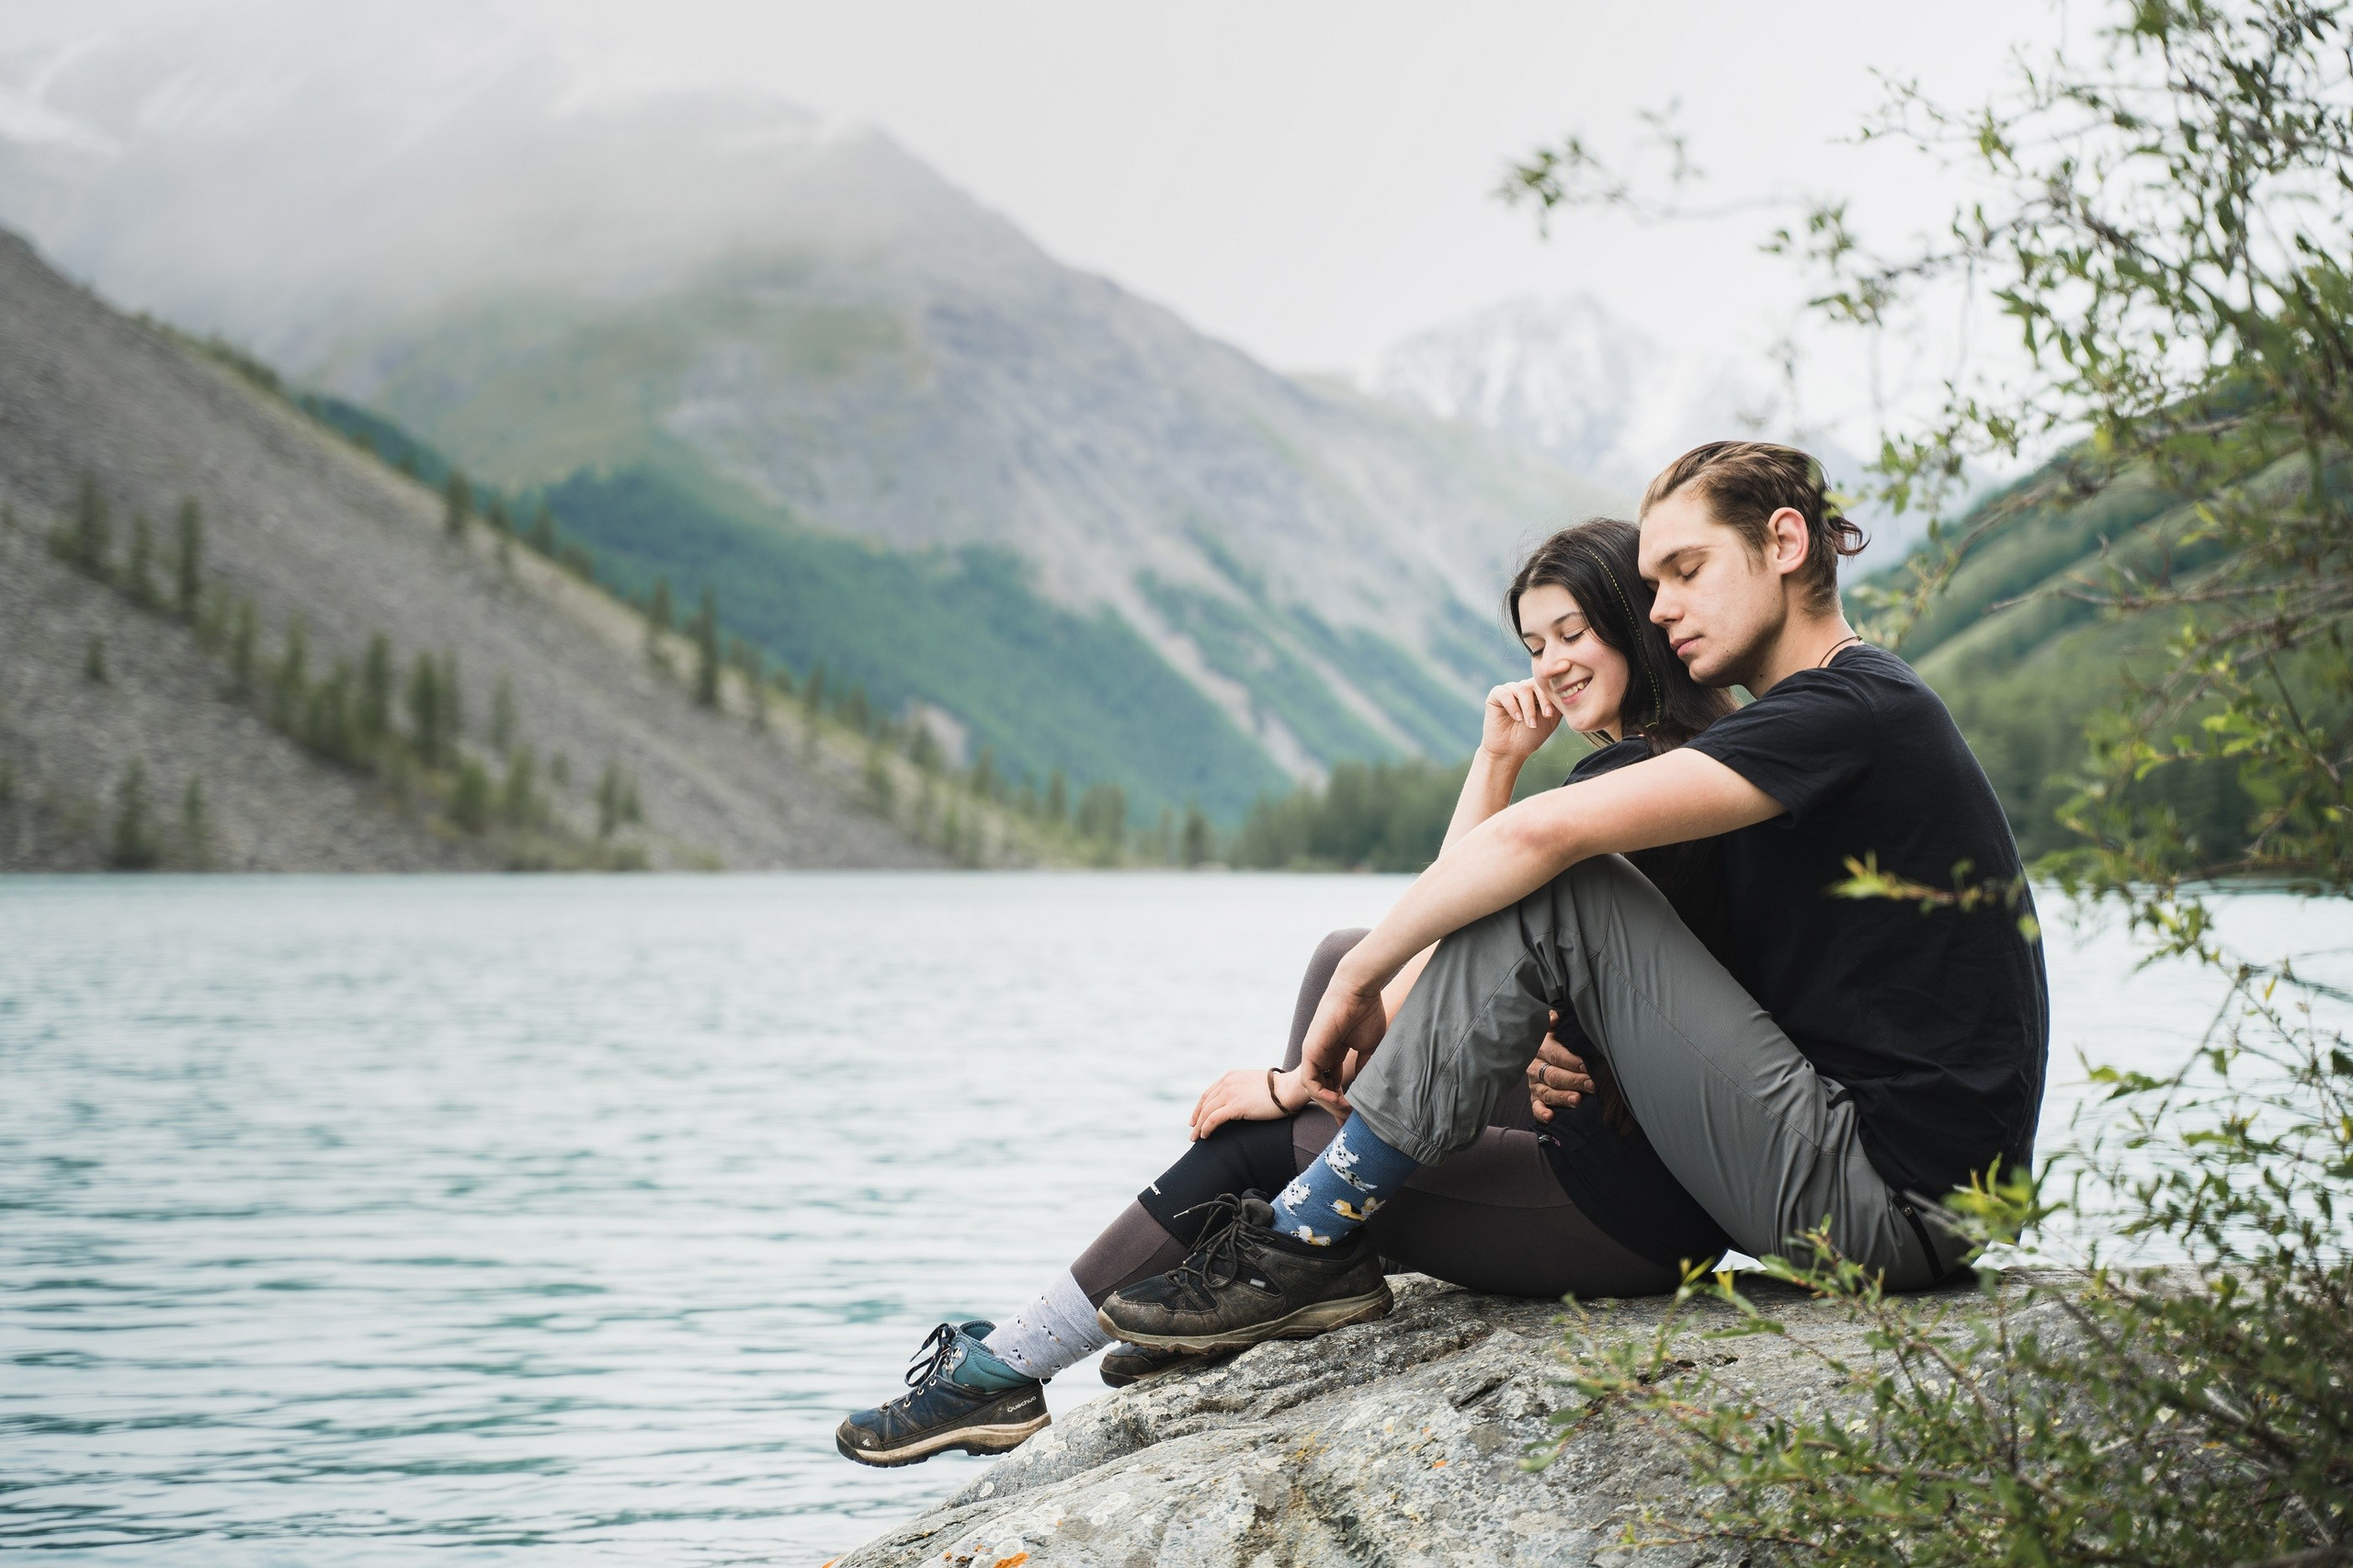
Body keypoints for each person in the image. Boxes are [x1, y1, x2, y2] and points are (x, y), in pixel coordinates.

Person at [1091, 440, 2050, 1361]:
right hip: (1860, 1171)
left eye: (1686, 570)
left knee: (1564, 879)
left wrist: (1362, 979)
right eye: (1652, 583)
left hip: (1886, 1203)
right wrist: (1590, 1035)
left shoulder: (1852, 710)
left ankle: (1303, 1235)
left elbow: (1537, 839)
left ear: (1785, 544)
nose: (1662, 608)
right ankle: (1317, 1242)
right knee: (1508, 900)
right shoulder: (1811, 722)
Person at [835, 517, 1737, 1469]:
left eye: (1572, 633)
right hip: (1635, 1162)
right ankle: (1297, 1258)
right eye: (1534, 645)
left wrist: (1285, 1086)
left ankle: (1007, 1368)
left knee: (1258, 1140)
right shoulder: (1679, 756)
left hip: (1621, 1213)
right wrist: (1497, 760)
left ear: (1633, 619)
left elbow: (1451, 953)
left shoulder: (1638, 780)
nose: (1551, 665)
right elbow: (1453, 917)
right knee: (1340, 955)